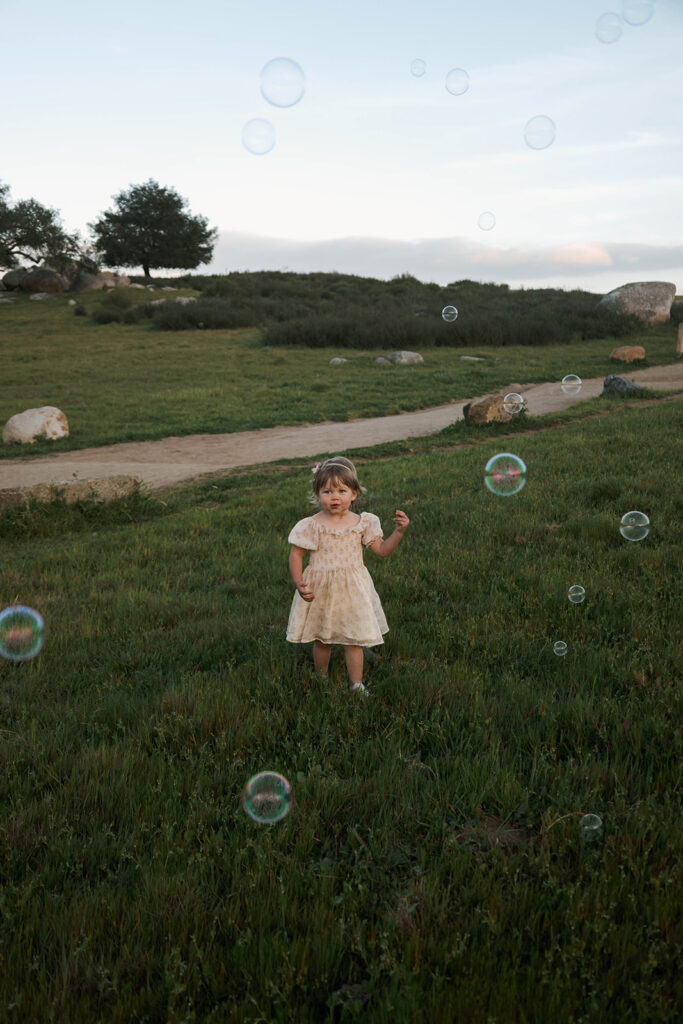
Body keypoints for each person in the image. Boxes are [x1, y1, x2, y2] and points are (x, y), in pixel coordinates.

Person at [286, 456, 410, 694]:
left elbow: (382, 551)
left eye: (342, 490)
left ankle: (356, 684)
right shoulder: (312, 525)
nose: (335, 497)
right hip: (321, 590)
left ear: (354, 494)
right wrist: (299, 582)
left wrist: (399, 532)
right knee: (323, 638)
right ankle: (320, 679)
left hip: (353, 590)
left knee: (353, 640)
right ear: (317, 494)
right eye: (327, 491)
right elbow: (296, 555)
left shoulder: (362, 523)